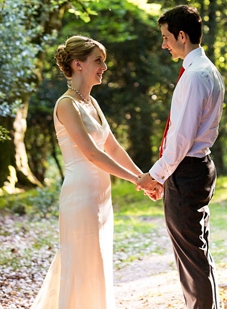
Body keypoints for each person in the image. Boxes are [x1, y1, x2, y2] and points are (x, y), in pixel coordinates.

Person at [31, 36, 143, 309]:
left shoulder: (91, 103)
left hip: (101, 195)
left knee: (98, 260)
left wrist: (144, 177)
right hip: (80, 195)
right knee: (81, 261)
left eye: (103, 60)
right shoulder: (66, 104)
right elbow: (92, 153)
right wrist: (137, 180)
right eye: (98, 60)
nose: (104, 66)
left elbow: (113, 148)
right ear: (78, 64)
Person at [136, 5, 225, 309]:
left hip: (187, 170)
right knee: (195, 251)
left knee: (191, 255)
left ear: (182, 36)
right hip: (194, 167)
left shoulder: (195, 76)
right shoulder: (205, 70)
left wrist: (156, 174)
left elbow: (181, 137)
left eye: (166, 37)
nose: (164, 44)